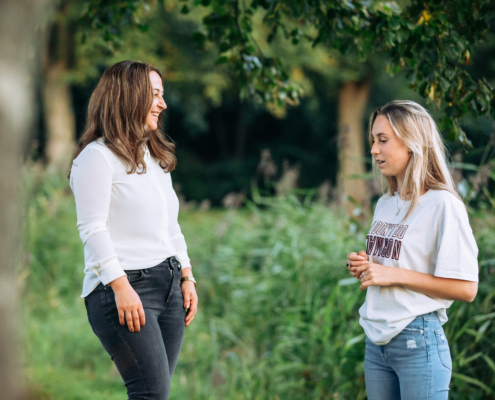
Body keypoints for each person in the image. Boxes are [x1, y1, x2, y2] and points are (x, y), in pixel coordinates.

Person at [69, 60, 198, 400]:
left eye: (162, 95)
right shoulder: (95, 158)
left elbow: (170, 226)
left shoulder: (153, 157)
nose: (163, 104)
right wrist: (121, 287)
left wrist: (186, 275)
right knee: (150, 393)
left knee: (156, 394)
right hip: (125, 289)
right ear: (129, 97)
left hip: (169, 285)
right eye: (155, 95)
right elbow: (92, 228)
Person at [346, 100, 479, 400]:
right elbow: (388, 264)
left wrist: (392, 274)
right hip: (376, 343)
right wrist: (364, 264)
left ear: (412, 143)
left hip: (417, 341)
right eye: (372, 141)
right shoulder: (385, 203)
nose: (373, 150)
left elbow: (467, 288)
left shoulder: (443, 204)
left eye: (383, 141)